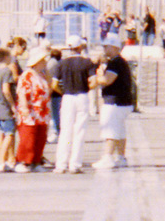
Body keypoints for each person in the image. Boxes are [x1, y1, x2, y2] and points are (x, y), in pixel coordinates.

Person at [89, 33, 132, 168]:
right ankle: (121, 157)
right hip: (123, 101)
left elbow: (107, 80)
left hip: (114, 101)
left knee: (110, 128)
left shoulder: (115, 62)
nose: (104, 49)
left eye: (106, 46)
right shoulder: (120, 62)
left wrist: (96, 78)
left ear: (114, 47)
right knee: (119, 129)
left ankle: (107, 157)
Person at [53, 34, 94, 173]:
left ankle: (61, 164)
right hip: (82, 95)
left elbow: (54, 84)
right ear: (80, 47)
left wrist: (62, 92)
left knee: (65, 130)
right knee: (79, 131)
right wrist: (87, 87)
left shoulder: (61, 64)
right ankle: (75, 164)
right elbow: (93, 82)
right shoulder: (87, 62)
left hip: (67, 96)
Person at [14, 47, 51, 171]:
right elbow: (23, 92)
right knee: (28, 136)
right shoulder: (27, 75)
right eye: (43, 60)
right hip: (30, 111)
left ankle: (36, 161)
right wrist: (24, 107)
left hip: (41, 111)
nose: (45, 62)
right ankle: (23, 162)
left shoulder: (41, 74)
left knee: (40, 136)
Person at [46, 43, 63, 142]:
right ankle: (58, 130)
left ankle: (56, 131)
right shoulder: (58, 63)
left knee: (54, 113)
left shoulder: (50, 63)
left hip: (52, 91)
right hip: (58, 91)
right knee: (57, 113)